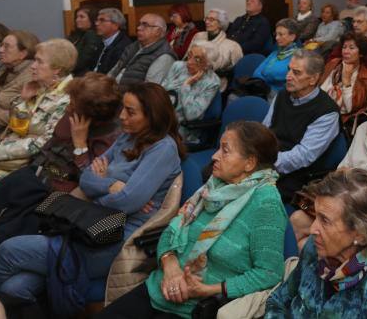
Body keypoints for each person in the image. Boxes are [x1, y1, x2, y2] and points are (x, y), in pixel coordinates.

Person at [0, 82, 183, 310]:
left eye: (131, 111)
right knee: (15, 287)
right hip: (87, 225)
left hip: (115, 238)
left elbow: (127, 201)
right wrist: (111, 186)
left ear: (153, 116)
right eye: (123, 109)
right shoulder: (128, 137)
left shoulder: (162, 149)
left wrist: (103, 189)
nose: (122, 116)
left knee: (9, 250)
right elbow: (87, 178)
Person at [95, 121, 286, 319]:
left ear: (250, 163)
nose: (214, 156)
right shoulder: (214, 187)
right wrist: (170, 267)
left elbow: (269, 274)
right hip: (161, 286)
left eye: (225, 151)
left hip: (198, 307)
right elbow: (171, 230)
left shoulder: (266, 204)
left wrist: (210, 289)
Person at [0, 73, 120, 280]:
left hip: (63, 191)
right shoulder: (71, 114)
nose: (69, 106)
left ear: (91, 113)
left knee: (10, 226)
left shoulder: (109, 137)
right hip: (39, 174)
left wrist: (80, 145)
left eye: (74, 103)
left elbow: (89, 179)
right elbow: (47, 147)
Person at [290, 73, 367, 247]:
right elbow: (342, 169)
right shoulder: (364, 128)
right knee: (297, 219)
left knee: (310, 243)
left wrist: (341, 199)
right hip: (344, 199)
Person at [265, 169, 367, 318]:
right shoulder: (314, 247)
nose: (312, 229)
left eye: (325, 220)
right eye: (315, 215)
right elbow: (278, 300)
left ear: (360, 234)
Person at [0, 39, 77, 208]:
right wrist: (23, 100)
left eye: (39, 61)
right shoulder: (42, 87)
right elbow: (16, 124)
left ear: (57, 69)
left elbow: (46, 142)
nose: (32, 66)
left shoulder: (67, 98)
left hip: (33, 164)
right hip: (8, 155)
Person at [262, 50, 340, 202]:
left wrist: (264, 162)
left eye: (296, 73)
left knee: (249, 191)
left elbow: (302, 156)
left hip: (295, 174)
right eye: (289, 70)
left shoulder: (327, 112)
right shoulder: (283, 95)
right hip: (269, 157)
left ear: (313, 79)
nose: (288, 76)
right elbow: (265, 130)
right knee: (217, 170)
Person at [161, 42, 222, 142]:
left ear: (208, 63)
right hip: (160, 115)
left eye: (197, 59)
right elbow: (160, 91)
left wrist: (186, 86)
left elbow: (191, 114)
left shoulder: (212, 82)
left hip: (180, 129)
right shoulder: (178, 66)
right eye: (189, 56)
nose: (189, 62)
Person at [319, 33, 367, 134]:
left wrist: (346, 82)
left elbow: (349, 109)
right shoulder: (333, 64)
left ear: (361, 53)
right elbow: (319, 91)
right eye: (344, 47)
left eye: (351, 48)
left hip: (341, 121)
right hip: (320, 111)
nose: (346, 51)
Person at [109, 14, 177, 87]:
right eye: (139, 24)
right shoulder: (133, 46)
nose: (138, 28)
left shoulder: (164, 56)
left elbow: (150, 90)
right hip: (113, 92)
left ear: (157, 31)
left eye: (145, 25)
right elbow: (114, 71)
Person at [253, 19, 301, 96]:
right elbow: (256, 72)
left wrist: (264, 76)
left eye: (281, 34)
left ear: (292, 37)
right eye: (276, 34)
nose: (276, 38)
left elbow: (277, 75)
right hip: (263, 90)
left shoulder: (298, 57)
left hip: (280, 96)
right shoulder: (274, 53)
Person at [188, 8, 243, 74]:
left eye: (211, 20)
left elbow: (237, 70)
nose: (207, 22)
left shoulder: (232, 46)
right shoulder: (198, 36)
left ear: (220, 24)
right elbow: (188, 57)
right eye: (206, 19)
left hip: (216, 79)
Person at [93, 8, 132, 74]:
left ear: (115, 25)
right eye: (97, 20)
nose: (97, 23)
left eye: (102, 20)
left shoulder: (123, 46)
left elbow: (112, 74)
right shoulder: (100, 42)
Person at [68, 7, 102, 75]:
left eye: (82, 17)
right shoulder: (78, 34)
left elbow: (84, 60)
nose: (77, 20)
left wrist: (66, 68)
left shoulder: (91, 35)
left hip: (85, 75)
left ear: (92, 19)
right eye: (77, 17)